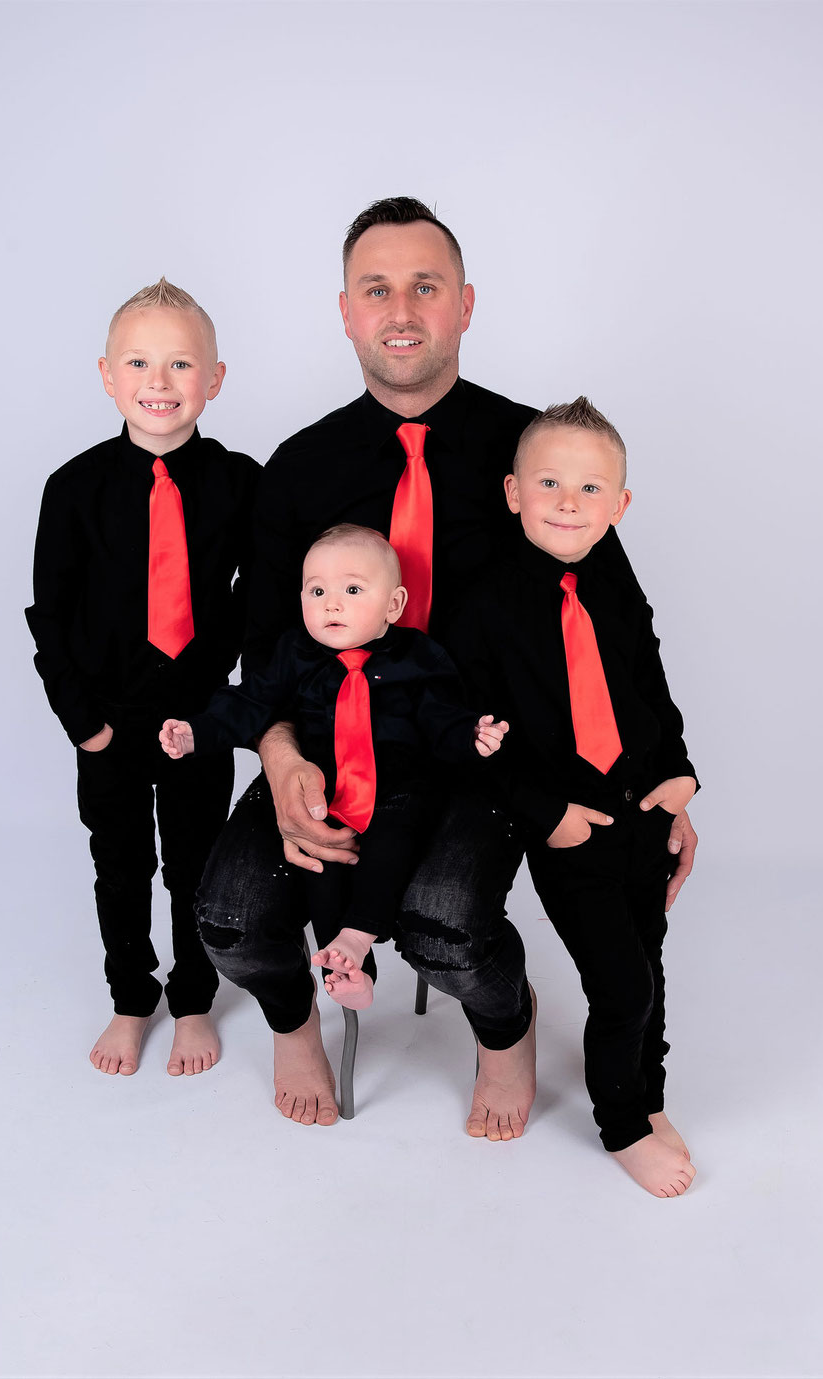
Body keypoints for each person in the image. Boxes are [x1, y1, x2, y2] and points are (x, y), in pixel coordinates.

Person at [197, 196, 697, 1136]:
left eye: (425, 287)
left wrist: (663, 788)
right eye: (376, 288)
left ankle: (504, 1030)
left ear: (465, 305)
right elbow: (260, 644)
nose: (401, 309)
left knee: (444, 924)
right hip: (329, 744)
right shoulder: (299, 467)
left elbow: (619, 636)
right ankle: (293, 1020)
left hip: (482, 756)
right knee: (225, 915)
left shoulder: (536, 455)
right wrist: (280, 759)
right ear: (344, 309)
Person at [447, 397, 698, 1196]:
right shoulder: (483, 603)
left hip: (641, 808)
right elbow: (476, 737)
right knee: (619, 982)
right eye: (548, 482)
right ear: (513, 490)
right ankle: (621, 1120)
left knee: (648, 961)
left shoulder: (614, 583)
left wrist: (679, 770)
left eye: (590, 490)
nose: (567, 501)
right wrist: (545, 814)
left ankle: (649, 1094)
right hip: (569, 825)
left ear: (619, 506)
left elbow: (646, 681)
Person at [25, 279, 259, 1077]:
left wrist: (209, 701)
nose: (159, 383)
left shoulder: (238, 483)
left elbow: (251, 599)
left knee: (196, 860)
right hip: (109, 720)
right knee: (121, 863)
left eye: (181, 363)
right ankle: (132, 996)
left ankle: (192, 999)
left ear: (215, 379)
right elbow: (48, 618)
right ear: (107, 375)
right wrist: (83, 722)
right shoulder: (74, 488)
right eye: (139, 363)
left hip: (197, 716)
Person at [159, 524, 508, 1014]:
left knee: (391, 844)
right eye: (317, 590)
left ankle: (359, 937)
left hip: (401, 789)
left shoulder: (419, 656)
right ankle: (346, 970)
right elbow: (249, 702)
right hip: (326, 791)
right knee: (320, 866)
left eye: (352, 589)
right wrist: (197, 733)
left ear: (393, 604)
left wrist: (471, 735)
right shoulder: (294, 654)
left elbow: (440, 716)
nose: (331, 604)